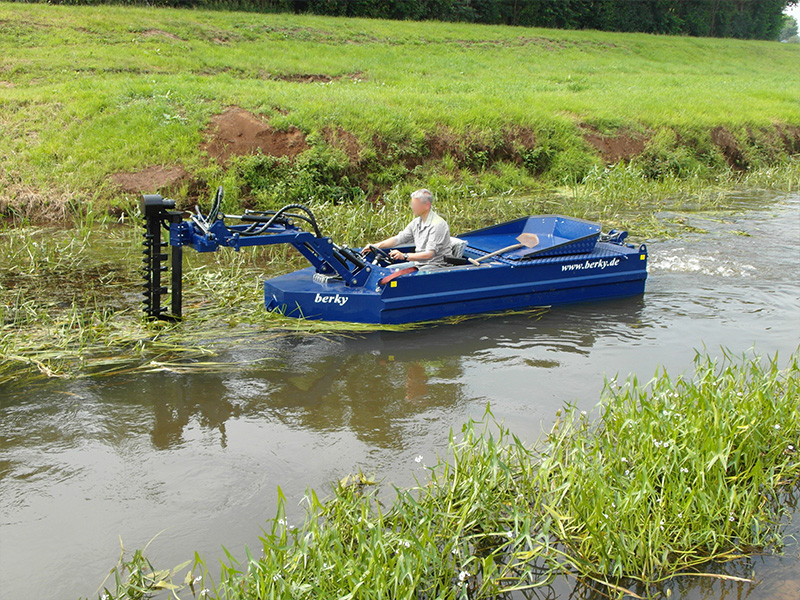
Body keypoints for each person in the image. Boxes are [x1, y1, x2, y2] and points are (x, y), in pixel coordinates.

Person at [362, 189, 451, 267]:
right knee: (389, 271)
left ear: (427, 205)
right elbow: (398, 239)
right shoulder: (416, 223)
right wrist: (375, 246)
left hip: (435, 266)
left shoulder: (438, 225)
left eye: (415, 204)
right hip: (419, 263)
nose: (412, 207)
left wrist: (404, 256)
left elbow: (430, 254)